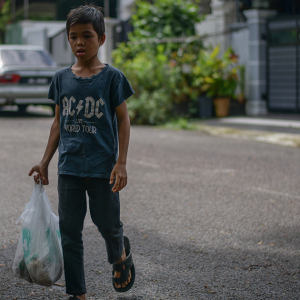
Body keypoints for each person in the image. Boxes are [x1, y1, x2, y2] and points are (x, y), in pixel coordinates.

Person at [28, 4, 135, 300]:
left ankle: (119, 254)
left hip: (103, 168)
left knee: (107, 223)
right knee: (70, 233)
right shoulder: (61, 79)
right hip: (70, 168)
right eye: (73, 36)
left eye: (86, 36)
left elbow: (124, 119)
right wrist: (45, 161)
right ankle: (78, 294)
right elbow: (58, 122)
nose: (79, 43)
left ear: (101, 39)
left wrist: (121, 162)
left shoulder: (112, 78)